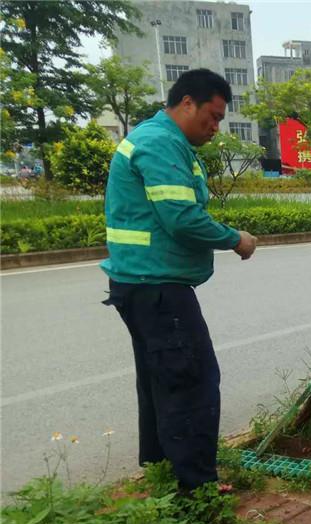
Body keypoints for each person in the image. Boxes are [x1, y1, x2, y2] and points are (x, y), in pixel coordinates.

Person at [101, 69, 258, 491]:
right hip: (157, 288)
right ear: (187, 102)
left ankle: (163, 470)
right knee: (192, 382)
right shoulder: (160, 142)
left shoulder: (165, 141)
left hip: (144, 285)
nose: (215, 126)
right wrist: (235, 239)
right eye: (213, 115)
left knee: (162, 380)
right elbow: (182, 217)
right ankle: (198, 489)